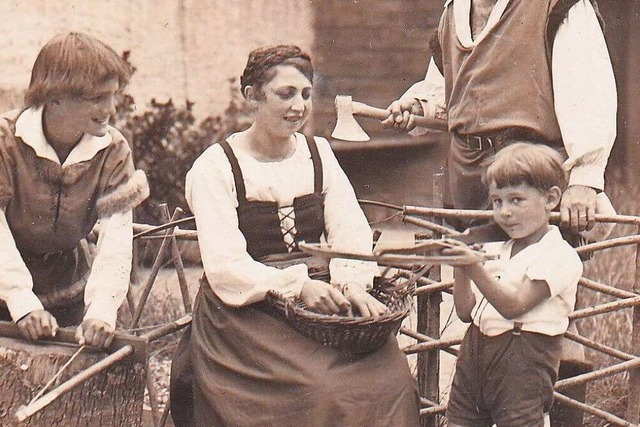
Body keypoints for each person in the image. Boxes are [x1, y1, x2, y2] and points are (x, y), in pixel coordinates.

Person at [169, 45, 420, 427]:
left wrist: (352, 285)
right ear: (251, 95)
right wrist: (298, 287)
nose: (299, 106)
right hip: (249, 311)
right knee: (320, 392)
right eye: (285, 94)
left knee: (395, 382)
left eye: (305, 94)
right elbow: (225, 266)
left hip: (325, 297)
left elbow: (350, 229)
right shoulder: (216, 166)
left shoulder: (317, 153)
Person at [383, 0, 616, 236]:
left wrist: (584, 180)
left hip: (529, 180)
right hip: (466, 180)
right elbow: (448, 89)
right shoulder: (454, 11)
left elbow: (588, 93)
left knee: (534, 268)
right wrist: (419, 107)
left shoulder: (556, 5)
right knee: (470, 268)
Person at [0, 32, 149, 349]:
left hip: (69, 285)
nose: (110, 108)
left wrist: (102, 312)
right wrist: (22, 303)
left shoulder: (113, 149)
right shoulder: (5, 141)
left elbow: (117, 236)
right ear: (54, 97)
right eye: (97, 98)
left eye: (113, 95)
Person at [441, 142, 583, 426]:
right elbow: (466, 312)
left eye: (516, 200)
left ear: (551, 199)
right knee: (461, 421)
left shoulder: (558, 254)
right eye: (497, 201)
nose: (504, 212)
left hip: (523, 360)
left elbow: (514, 307)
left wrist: (473, 266)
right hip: (476, 353)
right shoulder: (500, 249)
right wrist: (461, 269)